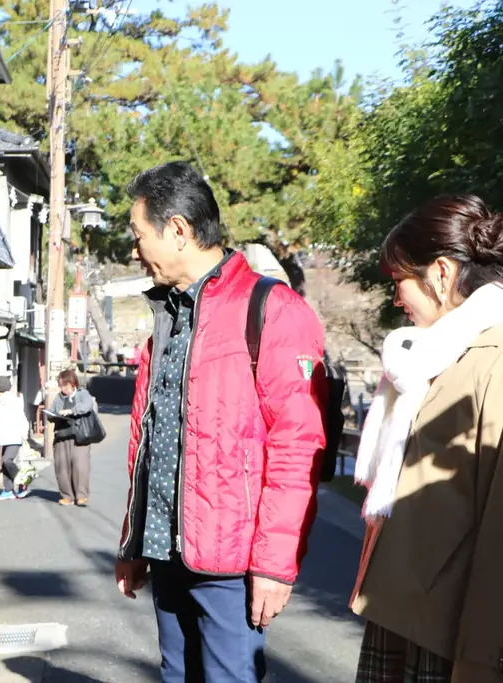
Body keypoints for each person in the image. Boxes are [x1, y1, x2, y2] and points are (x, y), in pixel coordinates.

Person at [113, 161, 329, 681]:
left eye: (140, 235)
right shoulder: (168, 316)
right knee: (175, 675)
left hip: (230, 563)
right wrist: (134, 540)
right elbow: (150, 438)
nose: (135, 251)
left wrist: (275, 565)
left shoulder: (272, 309)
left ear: (180, 230)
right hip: (165, 552)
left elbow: (299, 445)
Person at [350, 195, 503, 682]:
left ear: (440, 273)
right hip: (408, 615)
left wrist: (480, 659)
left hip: (448, 637)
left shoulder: (493, 359)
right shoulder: (437, 356)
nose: (397, 300)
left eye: (400, 282)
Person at [48, 368, 95, 506]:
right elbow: (53, 411)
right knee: (61, 466)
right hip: (62, 435)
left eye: (66, 386)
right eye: (61, 386)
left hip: (79, 435)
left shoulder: (83, 394)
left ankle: (81, 495)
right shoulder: (58, 397)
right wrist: (52, 415)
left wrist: (71, 411)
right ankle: (67, 495)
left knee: (80, 466)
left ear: (73, 383)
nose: (64, 389)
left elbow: (87, 406)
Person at [0, 375, 31, 500]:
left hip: (14, 436)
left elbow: (21, 418)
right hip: (6, 436)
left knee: (7, 460)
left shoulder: (10, 401)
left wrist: (24, 433)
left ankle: (23, 480)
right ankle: (8, 489)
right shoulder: (4, 400)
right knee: (4, 462)